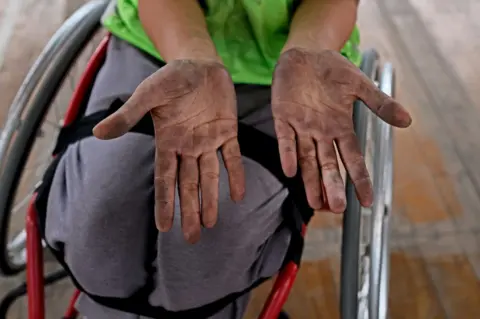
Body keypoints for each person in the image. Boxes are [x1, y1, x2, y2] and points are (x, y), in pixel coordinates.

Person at [44, 0, 412, 318]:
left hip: (288, 68)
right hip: (160, 40)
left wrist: (309, 50)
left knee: (207, 242)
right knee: (98, 223)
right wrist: (192, 54)